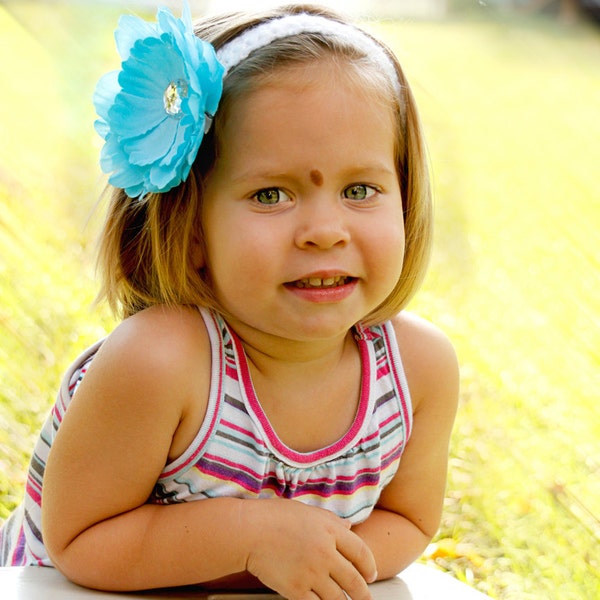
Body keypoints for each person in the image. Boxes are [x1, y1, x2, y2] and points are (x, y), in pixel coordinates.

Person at [0, 3, 459, 599]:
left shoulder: (417, 371)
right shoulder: (161, 362)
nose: (325, 230)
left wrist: (316, 563)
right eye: (271, 193)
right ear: (192, 229)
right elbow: (81, 542)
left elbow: (409, 520)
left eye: (360, 189)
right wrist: (253, 539)